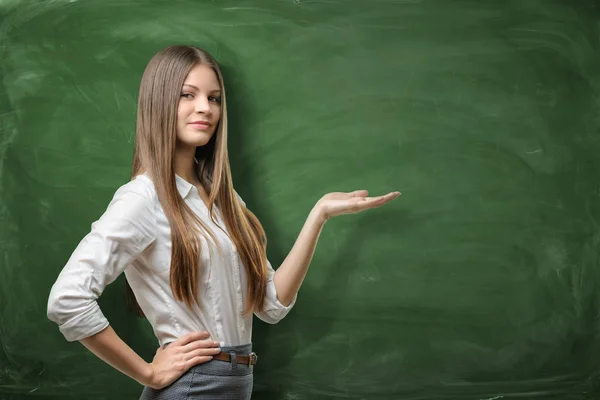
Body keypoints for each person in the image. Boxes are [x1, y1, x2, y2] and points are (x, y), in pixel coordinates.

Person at [46, 44, 400, 399]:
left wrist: (319, 215)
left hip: (234, 383)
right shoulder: (143, 198)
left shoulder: (224, 201)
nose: (206, 108)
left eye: (214, 98)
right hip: (195, 385)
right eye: (188, 94)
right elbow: (67, 299)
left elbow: (271, 305)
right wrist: (148, 373)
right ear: (159, 103)